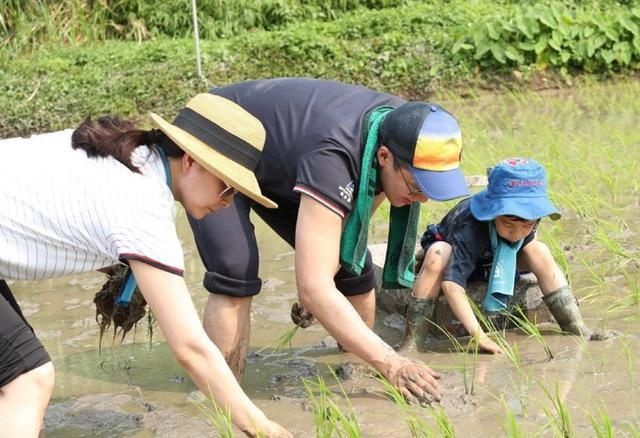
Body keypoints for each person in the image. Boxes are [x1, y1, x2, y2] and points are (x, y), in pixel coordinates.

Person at [0, 94, 290, 437]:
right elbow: (191, 349)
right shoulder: (144, 208)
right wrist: (262, 428)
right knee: (27, 380)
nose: (228, 204)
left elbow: (58, 216)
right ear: (192, 162)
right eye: (227, 188)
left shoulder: (126, 156)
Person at [188, 77, 470, 402]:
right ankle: (222, 400)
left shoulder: (403, 126)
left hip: (284, 158)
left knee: (354, 269)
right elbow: (314, 287)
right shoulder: (334, 157)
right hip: (219, 137)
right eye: (417, 187)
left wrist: (322, 281)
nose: (421, 200)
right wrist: (391, 361)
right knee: (235, 270)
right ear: (383, 157)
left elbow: (354, 223)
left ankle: (356, 380)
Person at [410, 158, 593, 354]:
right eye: (508, 225)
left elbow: (525, 238)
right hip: (457, 255)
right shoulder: (470, 227)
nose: (517, 233)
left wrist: (520, 233)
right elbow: (451, 285)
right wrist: (480, 336)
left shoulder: (528, 223)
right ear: (492, 213)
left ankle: (574, 325)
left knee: (539, 250)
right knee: (438, 253)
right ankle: (413, 341)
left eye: (527, 225)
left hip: (494, 258)